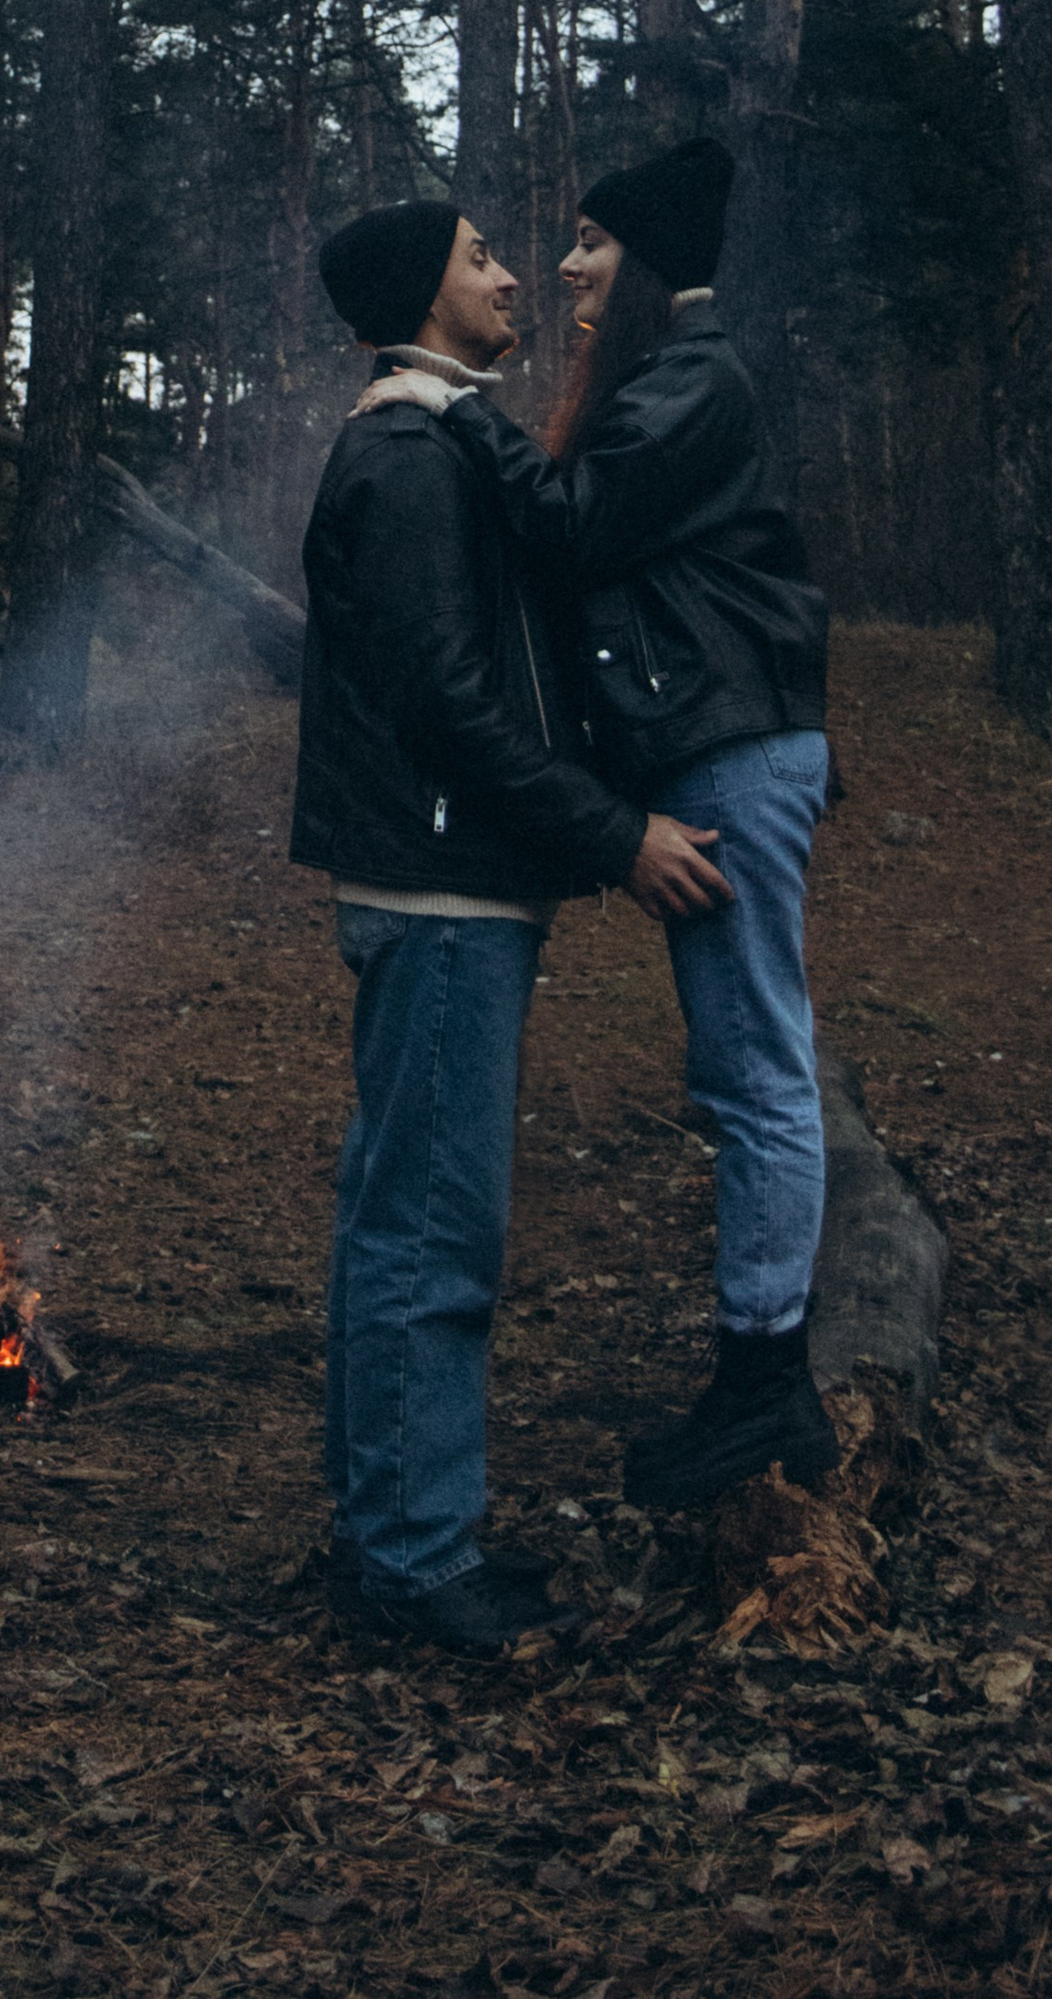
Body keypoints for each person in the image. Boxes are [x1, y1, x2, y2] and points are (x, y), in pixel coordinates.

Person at [356, 138, 838, 1516]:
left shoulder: (699, 375)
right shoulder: (663, 376)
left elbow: (569, 524)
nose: (565, 264)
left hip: (736, 752)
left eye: (592, 245)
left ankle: (768, 1387)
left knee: (755, 1067)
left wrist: (447, 404)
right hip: (707, 747)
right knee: (743, 1063)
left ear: (650, 266)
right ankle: (760, 1370)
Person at [293, 196, 729, 1657]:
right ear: (428, 294)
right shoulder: (410, 451)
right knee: (432, 1233)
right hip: (444, 895)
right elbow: (449, 705)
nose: (509, 274)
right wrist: (618, 839)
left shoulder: (431, 435)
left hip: (446, 889)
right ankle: (417, 1566)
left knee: (393, 1225)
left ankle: (387, 1537)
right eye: (480, 256)